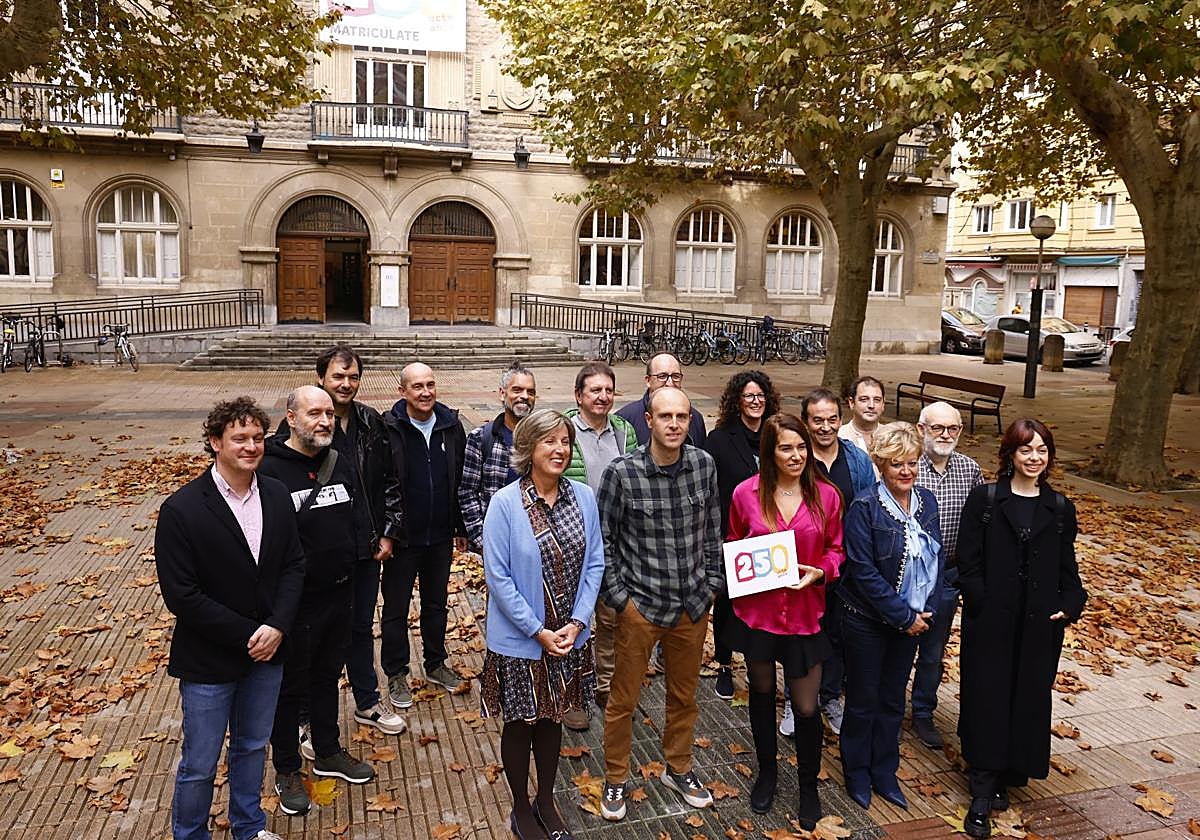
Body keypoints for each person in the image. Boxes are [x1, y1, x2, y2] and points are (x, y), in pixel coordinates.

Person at [156, 397, 304, 840]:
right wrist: (251, 633)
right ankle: (190, 834)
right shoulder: (182, 509)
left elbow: (294, 564)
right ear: (215, 442)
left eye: (258, 438)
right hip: (209, 659)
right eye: (240, 438)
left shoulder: (276, 494)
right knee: (200, 763)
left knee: (252, 747)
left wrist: (278, 625)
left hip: (268, 653)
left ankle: (249, 827)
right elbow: (182, 595)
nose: (251, 446)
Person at [957, 419, 1086, 839]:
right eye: (1026, 449)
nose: (1034, 457)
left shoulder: (1060, 508)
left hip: (1038, 626)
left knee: (1027, 697)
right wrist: (981, 601)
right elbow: (968, 561)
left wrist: (1069, 606)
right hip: (991, 622)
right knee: (987, 699)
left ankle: (1009, 771)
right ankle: (982, 785)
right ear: (1010, 454)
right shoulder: (986, 499)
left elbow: (1068, 570)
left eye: (1041, 450)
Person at [598, 387, 723, 821]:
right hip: (641, 607)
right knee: (623, 700)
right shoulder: (622, 474)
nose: (674, 424)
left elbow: (713, 530)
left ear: (690, 421)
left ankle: (679, 767)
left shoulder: (704, 466)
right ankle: (615, 776)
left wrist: (712, 585)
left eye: (681, 417)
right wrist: (621, 600)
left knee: (684, 696)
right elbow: (604, 541)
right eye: (665, 416)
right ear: (648, 420)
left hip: (691, 605)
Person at [480, 409, 605, 840]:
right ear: (528, 448)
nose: (560, 449)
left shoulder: (583, 498)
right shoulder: (505, 503)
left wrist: (578, 622)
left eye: (565, 441)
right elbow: (498, 577)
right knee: (520, 724)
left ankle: (546, 801)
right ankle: (520, 807)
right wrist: (537, 630)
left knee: (552, 720)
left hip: (568, 637)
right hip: (524, 640)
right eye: (549, 441)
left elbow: (595, 563)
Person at [723, 414, 843, 829]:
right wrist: (743, 564)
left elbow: (836, 549)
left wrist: (822, 571)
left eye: (801, 447)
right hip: (759, 615)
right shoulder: (745, 494)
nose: (796, 455)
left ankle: (808, 786)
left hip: (806, 616)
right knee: (761, 693)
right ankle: (768, 773)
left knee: (807, 707)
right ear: (769, 452)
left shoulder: (826, 495)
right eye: (785, 448)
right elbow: (734, 541)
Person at [261, 386, 374, 817]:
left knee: (328, 677)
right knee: (289, 688)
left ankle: (327, 750)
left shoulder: (337, 461)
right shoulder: (269, 469)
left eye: (329, 413)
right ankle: (287, 768)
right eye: (314, 413)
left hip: (339, 593)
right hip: (294, 603)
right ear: (291, 418)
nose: (325, 421)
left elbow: (355, 518)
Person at [839, 422, 944, 812]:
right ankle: (856, 772)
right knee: (863, 700)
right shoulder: (865, 506)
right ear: (881, 465)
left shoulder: (927, 502)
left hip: (912, 620)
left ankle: (884, 771)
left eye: (912, 463)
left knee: (892, 701)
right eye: (897, 463)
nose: (906, 471)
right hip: (867, 620)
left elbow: (935, 557)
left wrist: (928, 609)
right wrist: (903, 616)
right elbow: (862, 571)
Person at [313, 345, 407, 737]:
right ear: (321, 378)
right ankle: (308, 714)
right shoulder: (303, 422)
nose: (346, 384)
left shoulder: (371, 421)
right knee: (318, 632)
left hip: (365, 546)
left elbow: (389, 481)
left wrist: (388, 531)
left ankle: (367, 701)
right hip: (322, 552)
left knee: (361, 627)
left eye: (353, 377)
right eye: (338, 376)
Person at [381, 362, 468, 708]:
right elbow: (382, 481)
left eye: (430, 384)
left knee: (436, 604)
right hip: (403, 537)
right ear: (402, 391)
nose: (426, 392)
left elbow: (460, 478)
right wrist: (387, 531)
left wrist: (460, 526)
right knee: (395, 608)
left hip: (440, 535)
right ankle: (395, 672)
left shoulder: (451, 425)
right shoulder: (389, 427)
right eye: (417, 386)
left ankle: (435, 663)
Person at [561, 361, 638, 731]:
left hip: (613, 540)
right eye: (595, 390)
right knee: (572, 619)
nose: (603, 396)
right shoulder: (563, 429)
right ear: (579, 395)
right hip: (572, 540)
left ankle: (606, 687)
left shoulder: (623, 431)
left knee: (610, 618)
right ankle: (571, 693)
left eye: (608, 390)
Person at [800, 388, 876, 737]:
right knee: (803, 635)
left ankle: (829, 696)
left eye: (832, 419)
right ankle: (797, 699)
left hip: (845, 565)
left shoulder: (857, 460)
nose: (826, 427)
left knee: (838, 635)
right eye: (818, 420)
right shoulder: (797, 457)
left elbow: (868, 508)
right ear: (806, 422)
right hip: (804, 566)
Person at [703, 370, 781, 701]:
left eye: (760, 395)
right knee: (728, 602)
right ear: (737, 401)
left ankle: (756, 660)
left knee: (761, 603)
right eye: (749, 396)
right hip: (732, 536)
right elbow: (712, 491)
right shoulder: (720, 440)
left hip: (772, 536)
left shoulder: (776, 436)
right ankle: (724, 663)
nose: (755, 401)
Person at [911, 402, 984, 750]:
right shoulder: (908, 464)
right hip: (909, 571)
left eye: (952, 428)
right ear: (921, 429)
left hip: (949, 572)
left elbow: (981, 522)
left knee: (933, 650)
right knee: (900, 643)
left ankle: (923, 711)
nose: (945, 435)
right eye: (937, 428)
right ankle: (889, 708)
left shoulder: (970, 470)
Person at [460, 360, 538, 552]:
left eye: (530, 392)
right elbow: (467, 492)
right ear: (503, 394)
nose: (524, 396)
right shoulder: (481, 439)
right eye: (517, 390)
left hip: (536, 539)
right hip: (495, 539)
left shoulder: (543, 440)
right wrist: (482, 540)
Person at [616, 352, 707, 447]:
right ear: (648, 380)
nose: (670, 383)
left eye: (676, 376)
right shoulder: (625, 420)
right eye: (662, 376)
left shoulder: (696, 418)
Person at [839, 375, 886, 462]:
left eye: (877, 400)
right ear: (851, 403)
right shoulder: (839, 438)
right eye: (864, 399)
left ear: (883, 404)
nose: (871, 405)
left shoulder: (893, 437)